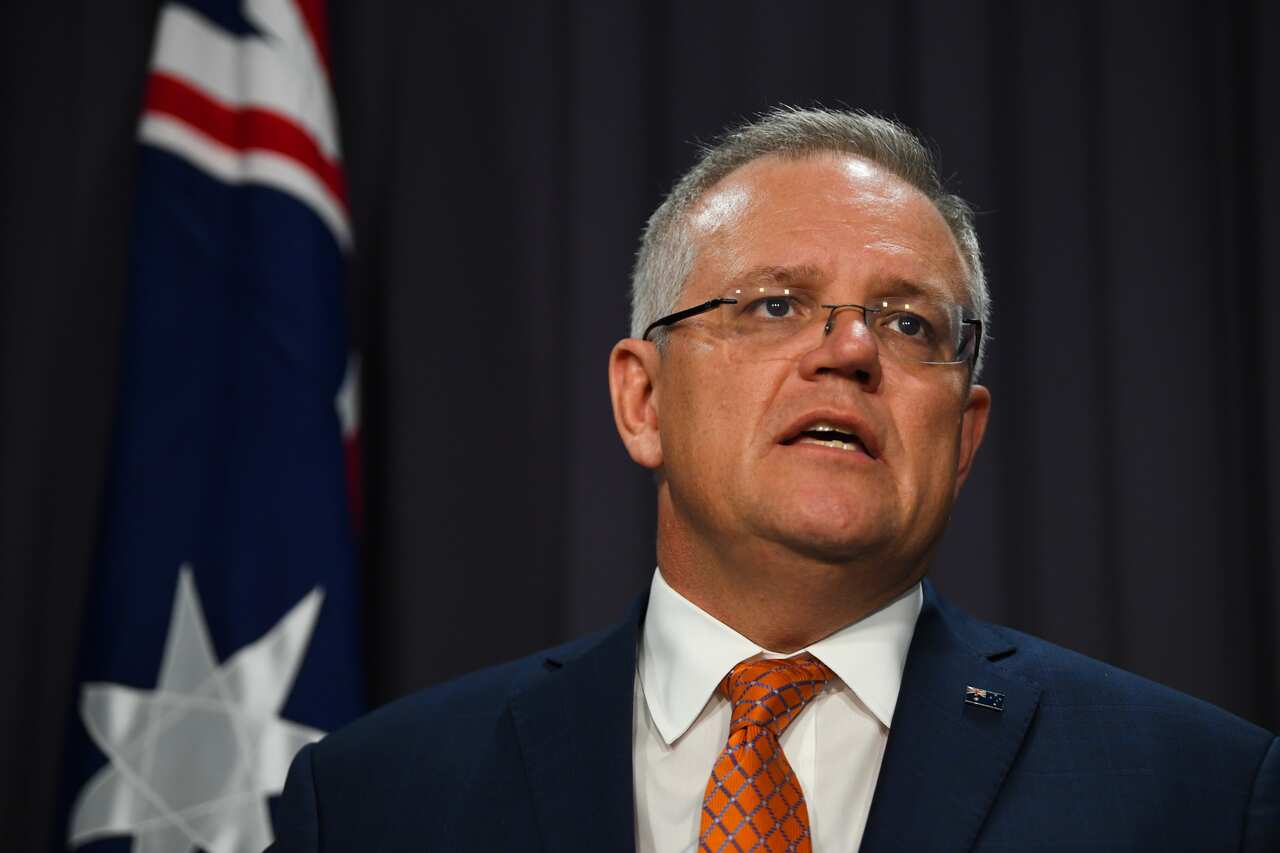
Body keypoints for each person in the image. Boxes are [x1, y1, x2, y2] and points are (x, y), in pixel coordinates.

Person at [268, 108, 1278, 852]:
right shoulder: (374, 803)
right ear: (642, 400)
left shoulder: (1200, 797)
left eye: (908, 323)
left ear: (963, 437)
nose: (846, 350)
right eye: (772, 306)